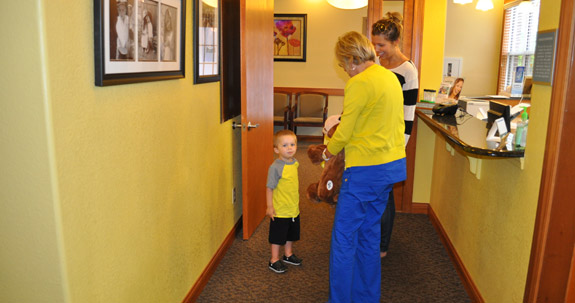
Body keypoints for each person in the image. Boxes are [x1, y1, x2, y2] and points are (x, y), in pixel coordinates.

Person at [325, 31, 406, 302]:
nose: (345, 70)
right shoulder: (390, 77)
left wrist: (328, 151)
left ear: (351, 60)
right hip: (390, 168)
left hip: (364, 172)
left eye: (342, 64)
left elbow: (345, 130)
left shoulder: (359, 83)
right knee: (369, 236)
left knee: (344, 240)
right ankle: (366, 297)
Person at [371, 12, 419, 258]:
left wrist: (400, 147)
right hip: (372, 136)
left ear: (395, 42)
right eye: (374, 44)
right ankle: (372, 238)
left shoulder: (408, 71)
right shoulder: (377, 64)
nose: (376, 49)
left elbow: (408, 113)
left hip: (392, 140)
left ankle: (382, 246)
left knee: (385, 191)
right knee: (374, 189)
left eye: (382, 45)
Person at [266, 130, 303, 274]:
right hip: (280, 210)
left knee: (291, 235)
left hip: (293, 208)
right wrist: (270, 206)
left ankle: (287, 254)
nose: (289, 148)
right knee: (277, 237)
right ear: (276, 149)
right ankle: (274, 259)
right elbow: (269, 188)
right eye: (285, 145)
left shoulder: (295, 163)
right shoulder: (275, 167)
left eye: (292, 144)